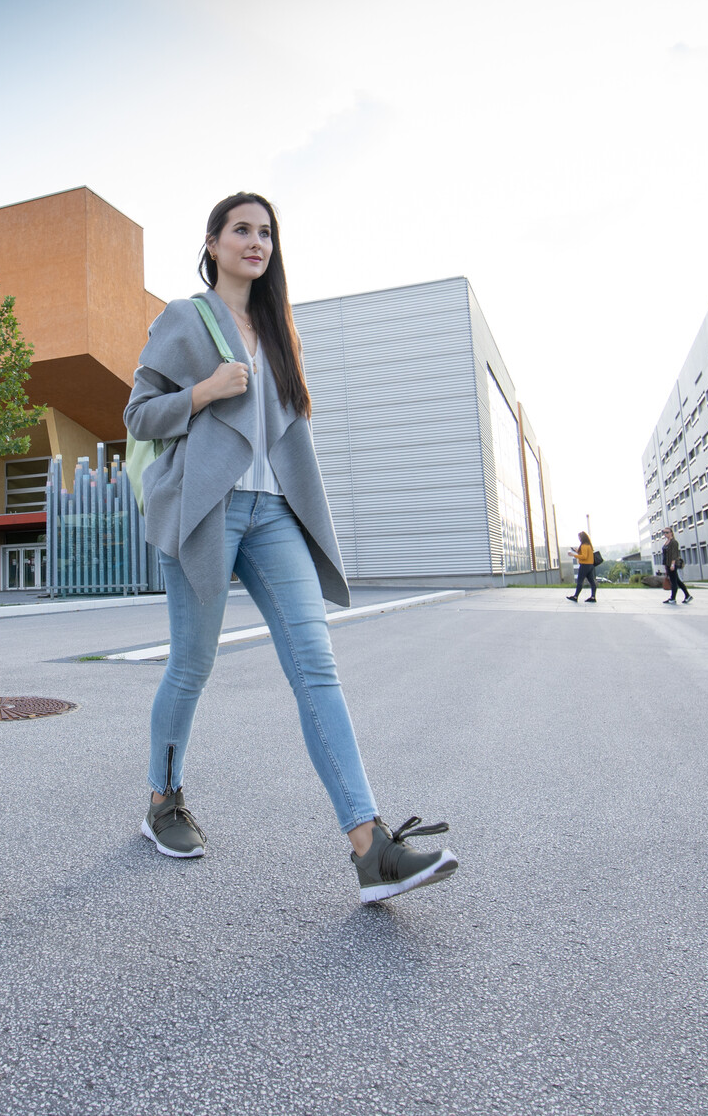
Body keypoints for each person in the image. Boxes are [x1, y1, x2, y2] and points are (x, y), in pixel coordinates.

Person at [124, 191, 459, 904]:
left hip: (273, 512)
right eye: (242, 229)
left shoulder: (279, 326)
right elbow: (139, 412)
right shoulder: (186, 317)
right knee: (191, 665)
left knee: (316, 665)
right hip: (204, 510)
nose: (257, 241)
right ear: (212, 242)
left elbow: (289, 431)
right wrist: (206, 391)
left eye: (267, 232)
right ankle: (163, 800)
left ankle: (370, 846)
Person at [564, 531, 599, 603]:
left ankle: (575, 596)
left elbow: (584, 556)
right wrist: (577, 551)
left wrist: (573, 555)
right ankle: (593, 597)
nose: (579, 539)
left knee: (580, 581)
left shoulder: (583, 546)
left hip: (584, 565)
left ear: (582, 538)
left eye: (579, 537)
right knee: (592, 581)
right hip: (590, 565)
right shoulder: (589, 545)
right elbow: (585, 554)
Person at [661, 527, 692, 604]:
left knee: (674, 581)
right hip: (667, 563)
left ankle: (673, 598)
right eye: (664, 532)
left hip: (672, 564)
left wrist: (672, 564)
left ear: (671, 532)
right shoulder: (666, 542)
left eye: (667, 532)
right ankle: (687, 596)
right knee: (677, 580)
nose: (665, 534)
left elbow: (674, 554)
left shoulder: (674, 542)